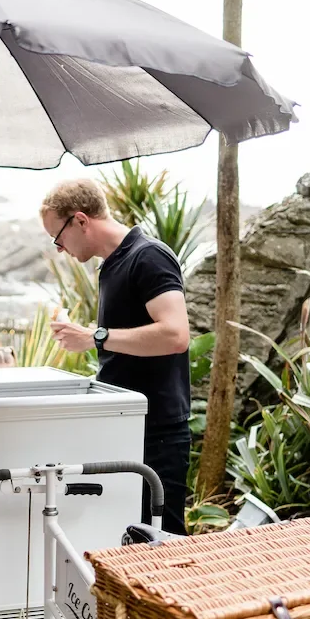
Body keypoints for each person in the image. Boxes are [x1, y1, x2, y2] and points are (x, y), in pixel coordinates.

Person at [40, 179, 192, 534]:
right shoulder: (112, 264)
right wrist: (89, 336)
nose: (59, 249)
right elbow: (130, 339)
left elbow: (176, 335)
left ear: (81, 220)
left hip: (157, 431)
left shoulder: (148, 255)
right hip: (129, 425)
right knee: (129, 539)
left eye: (57, 236)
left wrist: (95, 336)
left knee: (161, 542)